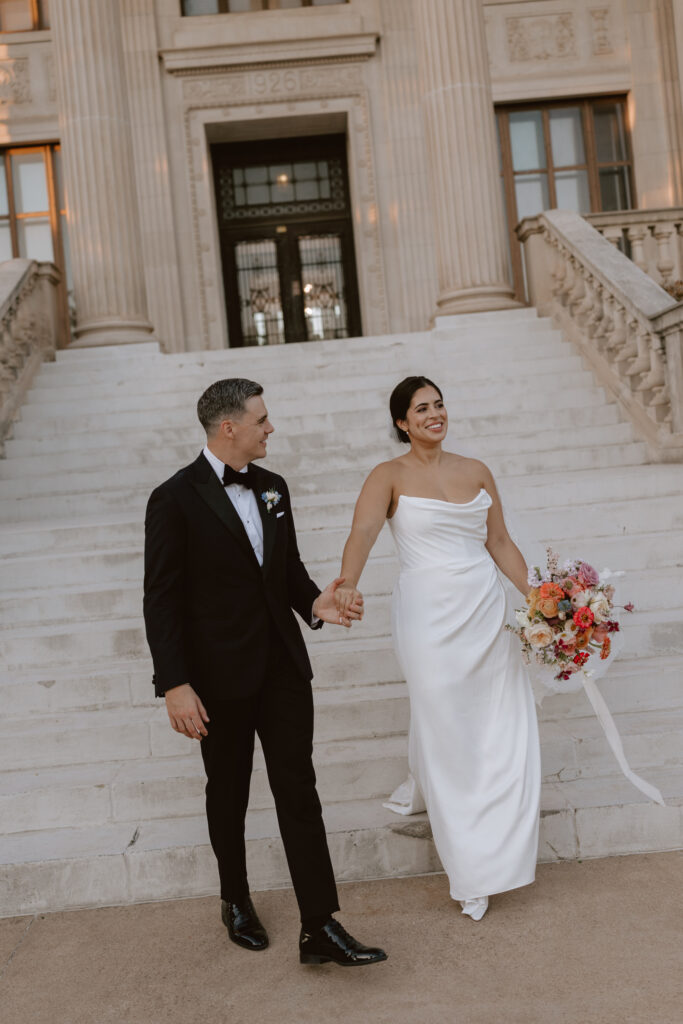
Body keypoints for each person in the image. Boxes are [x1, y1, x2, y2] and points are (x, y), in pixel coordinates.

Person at [143, 377, 387, 966]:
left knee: (298, 791)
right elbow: (161, 599)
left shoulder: (274, 488)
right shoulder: (173, 498)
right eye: (262, 420)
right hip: (215, 679)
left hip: (281, 667)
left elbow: (288, 570)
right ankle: (234, 900)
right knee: (227, 794)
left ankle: (320, 926)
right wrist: (175, 685)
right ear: (230, 428)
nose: (270, 428)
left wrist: (315, 605)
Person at [335, 376, 541, 921]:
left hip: (485, 611)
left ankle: (501, 846)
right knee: (445, 728)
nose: (434, 414)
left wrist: (544, 601)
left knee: (499, 727)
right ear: (402, 422)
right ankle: (471, 869)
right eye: (421, 408)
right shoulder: (388, 475)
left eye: (440, 405)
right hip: (427, 615)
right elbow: (362, 532)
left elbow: (498, 541)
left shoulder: (476, 471)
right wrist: (347, 582)